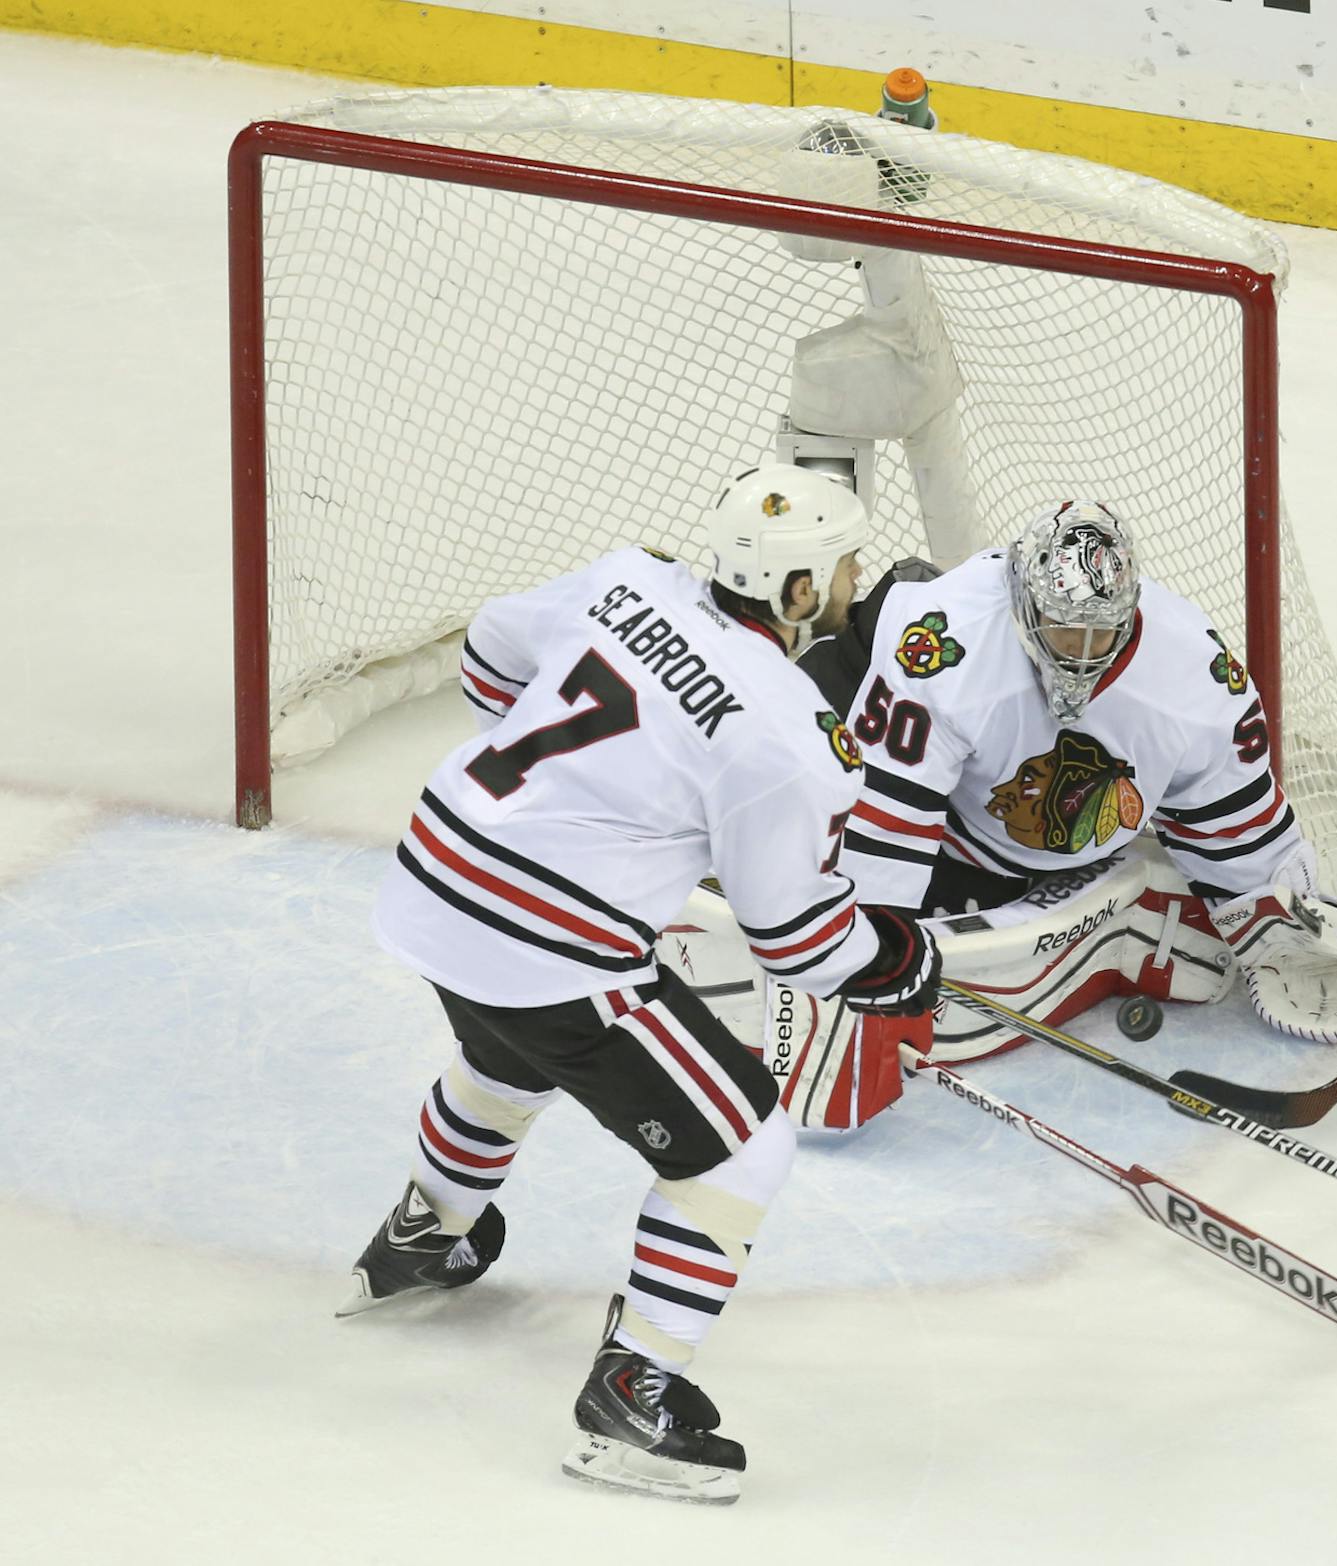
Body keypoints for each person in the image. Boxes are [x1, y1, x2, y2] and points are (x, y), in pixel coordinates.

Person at [338, 463, 941, 1502]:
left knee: (508, 1051)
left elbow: (490, 650)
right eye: (842, 568)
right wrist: (892, 965)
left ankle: (425, 1233)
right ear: (798, 593)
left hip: (435, 872)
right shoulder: (792, 736)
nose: (850, 584)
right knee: (745, 1148)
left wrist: (599, 796)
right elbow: (794, 936)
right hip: (544, 941)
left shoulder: (630, 580)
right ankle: (633, 1397)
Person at [766, 498, 1337, 1131]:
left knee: (962, 970)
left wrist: (1280, 915)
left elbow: (1236, 813)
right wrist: (859, 957)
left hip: (1020, 839)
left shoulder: (1195, 672)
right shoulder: (943, 647)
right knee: (784, 775)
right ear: (1023, 603)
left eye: (1101, 629)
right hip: (899, 735)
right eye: (1063, 626)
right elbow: (885, 827)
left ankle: (1105, 912)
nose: (1082, 649)